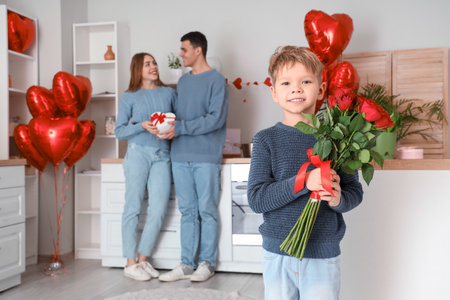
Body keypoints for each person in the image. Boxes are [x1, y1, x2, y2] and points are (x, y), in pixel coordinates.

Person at [247, 46, 363, 300]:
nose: (296, 89)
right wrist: (304, 181)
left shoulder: (337, 138)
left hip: (322, 253)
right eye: (287, 82)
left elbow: (355, 192)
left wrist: (338, 198)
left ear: (320, 89)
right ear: (274, 92)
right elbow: (257, 199)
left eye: (306, 81)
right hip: (277, 252)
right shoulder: (266, 140)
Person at [158, 31, 228, 282]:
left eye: (184, 49)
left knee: (206, 210)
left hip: (205, 155)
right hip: (179, 154)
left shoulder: (217, 81)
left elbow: (215, 119)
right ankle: (187, 263)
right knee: (187, 211)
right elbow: (179, 114)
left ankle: (207, 263)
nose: (181, 54)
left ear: (198, 50)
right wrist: (163, 125)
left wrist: (181, 128)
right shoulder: (184, 82)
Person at [115, 52, 176, 281]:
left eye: (154, 63)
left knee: (158, 209)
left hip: (163, 155)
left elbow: (178, 121)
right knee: (133, 207)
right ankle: (130, 262)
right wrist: (141, 125)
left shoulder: (169, 93)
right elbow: (119, 131)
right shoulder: (130, 97)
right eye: (147, 64)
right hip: (138, 153)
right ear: (137, 69)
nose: (153, 67)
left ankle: (142, 259)